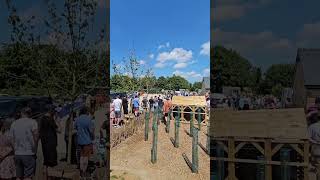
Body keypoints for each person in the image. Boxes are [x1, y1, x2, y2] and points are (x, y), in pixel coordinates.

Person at [9, 107, 39, 180]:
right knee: (28, 176)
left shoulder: (14, 123)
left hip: (17, 153)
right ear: (30, 113)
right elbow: (36, 136)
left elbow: (11, 139)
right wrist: (35, 148)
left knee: (18, 176)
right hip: (29, 153)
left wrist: (15, 150)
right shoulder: (33, 122)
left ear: (21, 113)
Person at [39, 106, 60, 179]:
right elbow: (59, 130)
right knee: (52, 162)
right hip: (51, 143)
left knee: (46, 161)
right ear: (52, 111)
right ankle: (51, 177)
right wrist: (58, 120)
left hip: (44, 142)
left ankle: (45, 176)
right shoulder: (50, 119)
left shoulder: (41, 119)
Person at [74, 107, 95, 177]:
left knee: (81, 156)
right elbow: (91, 131)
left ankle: (81, 171)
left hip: (79, 141)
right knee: (86, 157)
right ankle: (84, 171)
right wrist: (93, 137)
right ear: (86, 112)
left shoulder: (77, 119)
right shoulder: (89, 119)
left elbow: (75, 128)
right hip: (87, 141)